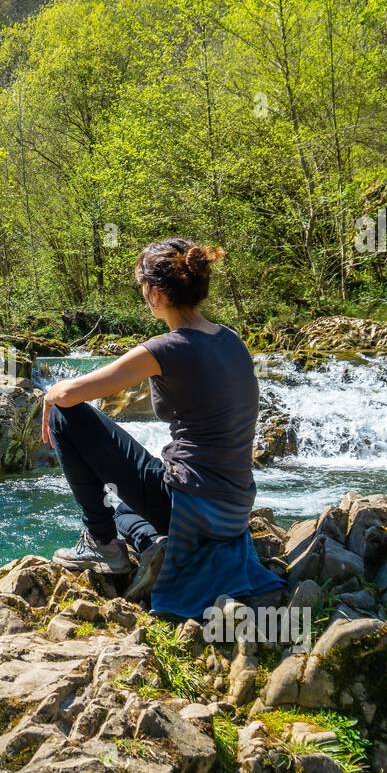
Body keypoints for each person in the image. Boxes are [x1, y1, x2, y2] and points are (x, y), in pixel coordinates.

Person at [42, 237, 286, 619]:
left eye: (142, 288)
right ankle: (154, 543)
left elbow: (72, 393)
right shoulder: (231, 339)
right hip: (233, 510)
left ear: (156, 294)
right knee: (122, 506)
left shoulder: (165, 348)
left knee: (64, 415)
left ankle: (103, 545)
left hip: (189, 503)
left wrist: (50, 394)